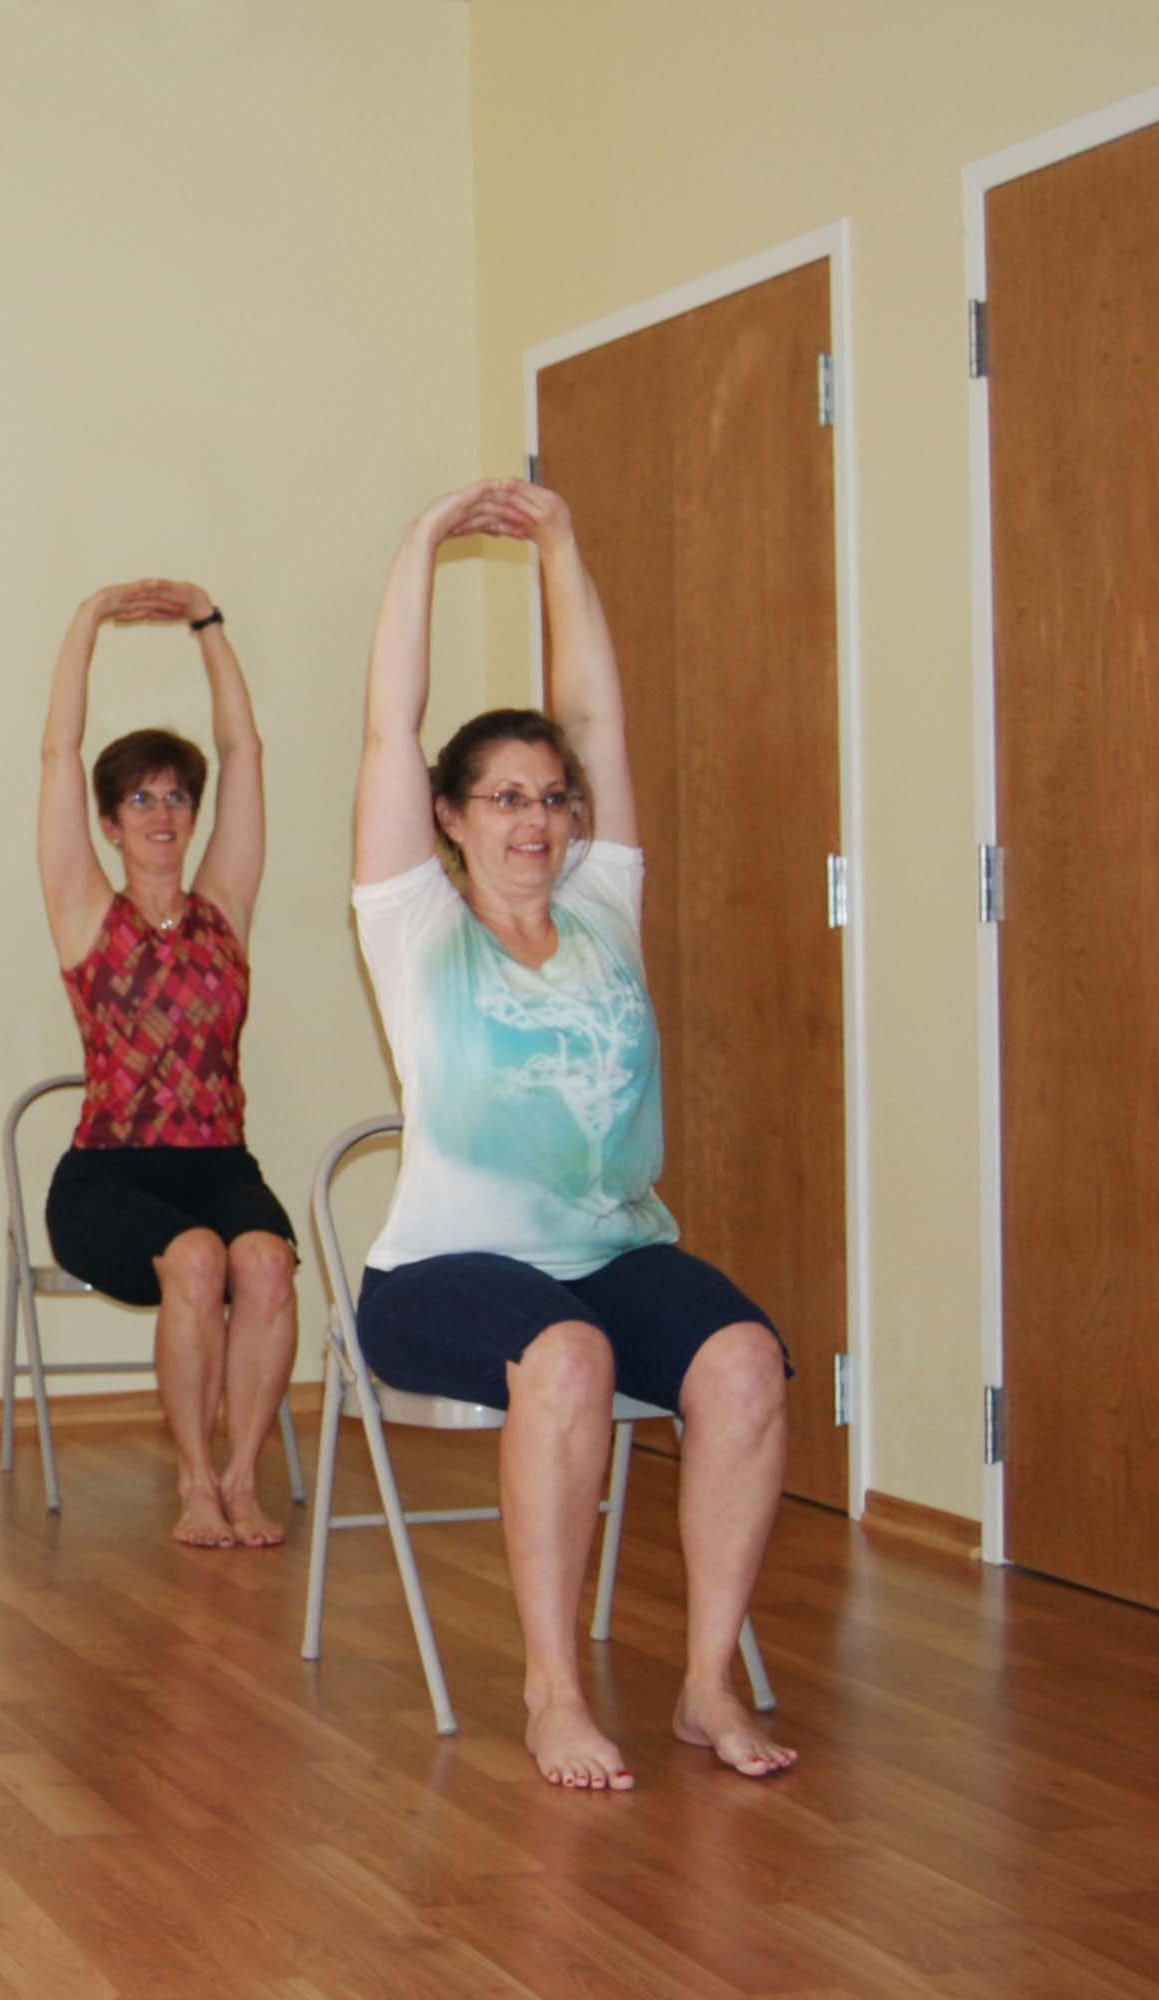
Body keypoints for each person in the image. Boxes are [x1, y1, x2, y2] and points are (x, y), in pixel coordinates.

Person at [350, 478, 796, 1790]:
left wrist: (562, 544)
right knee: (569, 1356)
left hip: (610, 1248)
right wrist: (422, 541)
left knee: (745, 1364)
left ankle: (707, 1681)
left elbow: (595, 714)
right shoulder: (414, 927)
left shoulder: (603, 901)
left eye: (550, 796)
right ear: (450, 815)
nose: (535, 819)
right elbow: (388, 726)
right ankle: (553, 1690)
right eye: (501, 798)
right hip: (441, 1271)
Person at [35, 577, 297, 1547]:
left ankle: (239, 1479)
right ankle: (192, 1484)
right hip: (107, 1171)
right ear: (110, 821)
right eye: (138, 798)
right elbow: (56, 752)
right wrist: (86, 618)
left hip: (217, 1159)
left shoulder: (220, 906)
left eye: (175, 797)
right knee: (193, 1259)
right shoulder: (82, 909)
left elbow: (245, 752)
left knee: (264, 1262)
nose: (160, 812)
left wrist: (207, 626)